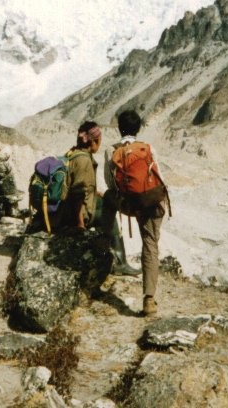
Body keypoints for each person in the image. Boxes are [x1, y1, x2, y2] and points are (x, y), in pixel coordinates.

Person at [50, 121, 141, 276]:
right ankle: (120, 262)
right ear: (93, 141)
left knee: (103, 201)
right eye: (99, 141)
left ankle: (105, 249)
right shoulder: (84, 161)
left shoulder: (73, 153)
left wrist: (95, 193)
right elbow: (79, 193)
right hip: (76, 213)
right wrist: (80, 224)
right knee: (110, 211)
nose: (100, 144)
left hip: (66, 208)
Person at [102, 109, 167, 316]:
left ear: (119, 128)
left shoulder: (110, 151)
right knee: (150, 245)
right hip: (149, 203)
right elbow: (159, 177)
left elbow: (109, 182)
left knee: (106, 198)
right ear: (138, 129)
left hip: (128, 204)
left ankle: (105, 245)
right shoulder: (148, 148)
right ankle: (149, 299)